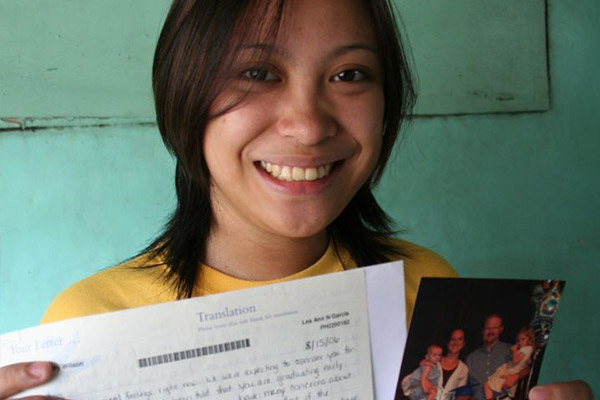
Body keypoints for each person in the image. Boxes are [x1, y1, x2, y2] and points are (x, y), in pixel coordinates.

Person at [0, 1, 592, 399]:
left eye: (349, 75)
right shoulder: (92, 325)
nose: (308, 125)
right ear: (183, 96)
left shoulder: (424, 285)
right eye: (257, 73)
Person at [484, 327, 536, 400]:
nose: (520, 342)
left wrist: (514, 350)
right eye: (519, 340)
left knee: (487, 384)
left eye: (523, 339)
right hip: (508, 379)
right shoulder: (527, 350)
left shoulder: (524, 349)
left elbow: (519, 364)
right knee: (489, 384)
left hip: (510, 375)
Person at [438, 329, 469, 400]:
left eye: (459, 339)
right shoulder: (435, 360)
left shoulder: (463, 369)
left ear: (463, 343)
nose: (455, 343)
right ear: (448, 342)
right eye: (453, 339)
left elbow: (459, 396)